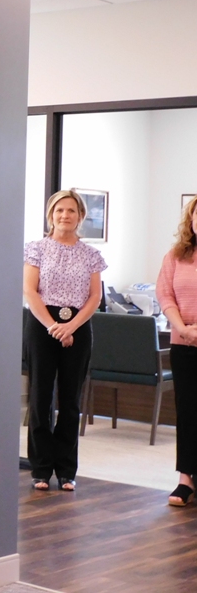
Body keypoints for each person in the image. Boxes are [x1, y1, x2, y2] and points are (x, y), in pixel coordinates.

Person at [23, 189, 106, 492]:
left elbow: (95, 297)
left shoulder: (91, 255)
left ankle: (67, 471)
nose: (65, 216)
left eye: (71, 210)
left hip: (78, 326)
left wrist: (71, 326)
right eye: (59, 210)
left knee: (70, 400)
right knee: (40, 397)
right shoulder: (36, 249)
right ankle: (41, 469)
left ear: (80, 216)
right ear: (51, 215)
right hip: (42, 324)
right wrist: (54, 326)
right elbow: (30, 291)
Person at [157, 195, 197, 507]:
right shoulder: (176, 256)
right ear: (191, 220)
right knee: (187, 412)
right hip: (183, 344)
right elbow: (165, 294)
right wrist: (182, 328)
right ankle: (186, 478)